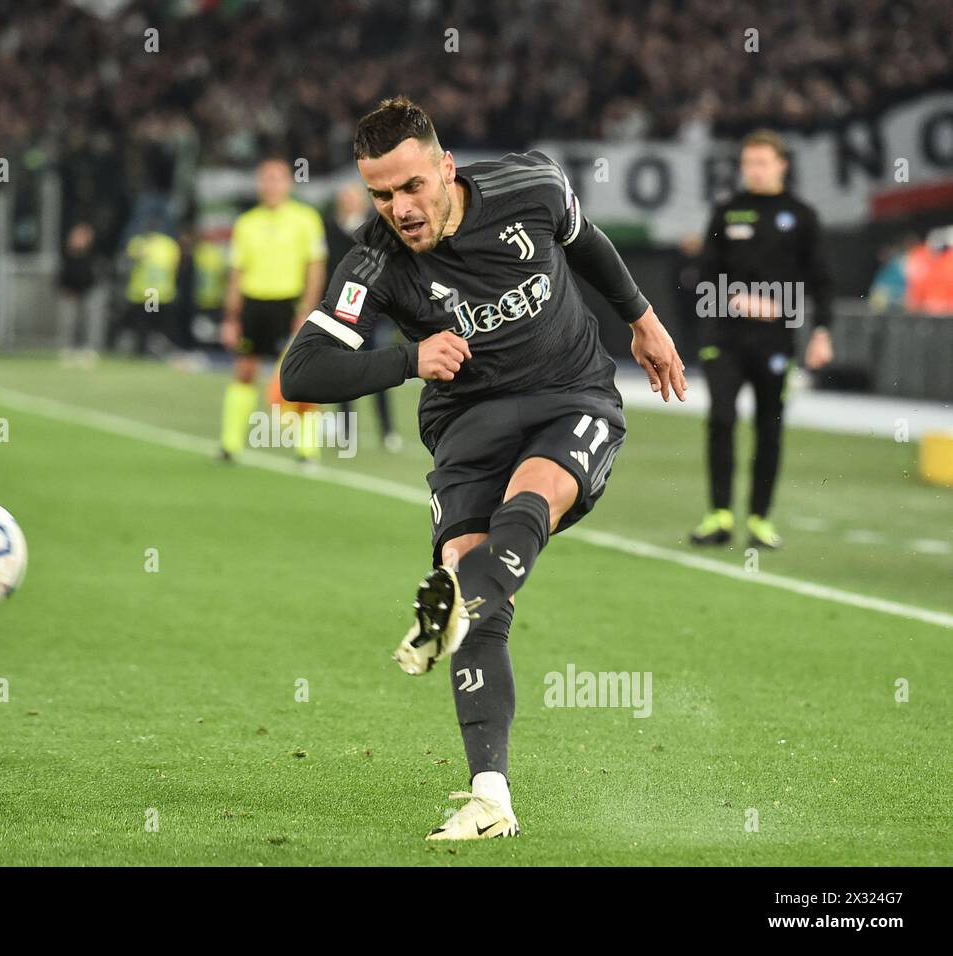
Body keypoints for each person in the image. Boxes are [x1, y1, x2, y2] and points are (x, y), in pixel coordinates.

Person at [280, 96, 685, 840]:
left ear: (446, 168)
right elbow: (300, 372)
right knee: (483, 611)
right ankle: (491, 799)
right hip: (467, 425)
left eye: (411, 187)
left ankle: (461, 594)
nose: (398, 208)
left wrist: (643, 319)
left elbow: (587, 241)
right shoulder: (373, 257)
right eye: (379, 193)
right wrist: (407, 359)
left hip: (570, 395)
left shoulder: (530, 186)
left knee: (531, 499)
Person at [689, 130, 834, 550]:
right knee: (721, 419)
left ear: (781, 165)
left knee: (769, 426)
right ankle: (719, 514)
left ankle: (759, 519)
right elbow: (703, 274)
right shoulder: (727, 212)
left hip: (775, 341)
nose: (753, 170)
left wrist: (821, 331)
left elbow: (822, 279)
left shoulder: (801, 216)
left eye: (762, 162)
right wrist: (735, 299)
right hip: (725, 337)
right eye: (748, 163)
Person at [219, 158, 327, 462]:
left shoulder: (306, 218)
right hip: (254, 304)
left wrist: (307, 309)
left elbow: (315, 267)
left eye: (277, 178)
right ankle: (230, 445)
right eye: (265, 179)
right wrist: (231, 317)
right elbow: (236, 273)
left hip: (289, 303)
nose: (271, 185)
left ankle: (307, 449)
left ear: (289, 183)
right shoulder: (246, 223)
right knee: (244, 371)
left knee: (302, 375)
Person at [327, 181, 401, 452]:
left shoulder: (375, 228)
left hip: (371, 310)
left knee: (377, 370)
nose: (349, 203)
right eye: (345, 198)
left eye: (354, 198)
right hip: (341, 311)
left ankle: (387, 429)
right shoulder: (330, 229)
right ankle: (345, 430)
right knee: (341, 373)